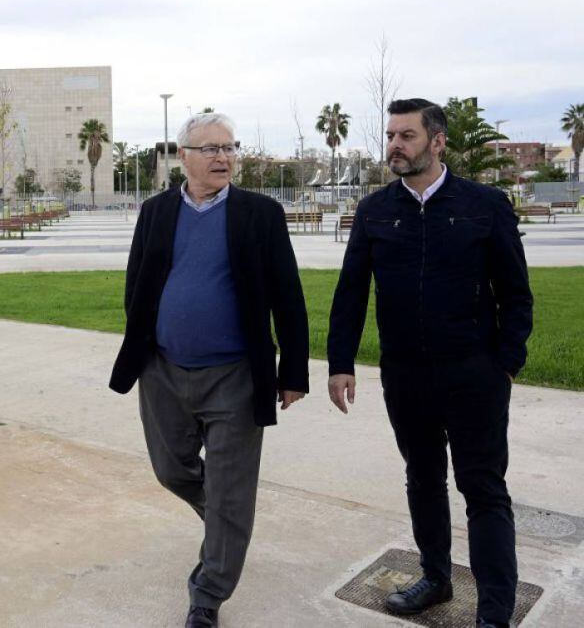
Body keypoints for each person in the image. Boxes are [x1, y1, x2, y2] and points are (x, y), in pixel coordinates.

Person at [327, 98, 532, 628]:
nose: (394, 145)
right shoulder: (374, 210)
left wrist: (505, 363)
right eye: (390, 135)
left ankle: (493, 612)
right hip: (406, 375)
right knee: (422, 479)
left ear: (437, 141)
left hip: (474, 374)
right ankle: (437, 578)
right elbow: (351, 292)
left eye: (407, 136)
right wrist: (340, 361)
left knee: (483, 490)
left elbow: (516, 293)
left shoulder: (483, 204)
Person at [109, 112, 309, 628]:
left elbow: (288, 294)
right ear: (185, 157)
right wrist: (143, 345)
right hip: (163, 370)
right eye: (211, 149)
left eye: (229, 147)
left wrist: (293, 372)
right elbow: (137, 285)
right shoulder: (155, 211)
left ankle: (207, 594)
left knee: (232, 489)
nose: (223, 157)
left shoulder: (259, 214)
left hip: (236, 375)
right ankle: (224, 516)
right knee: (170, 469)